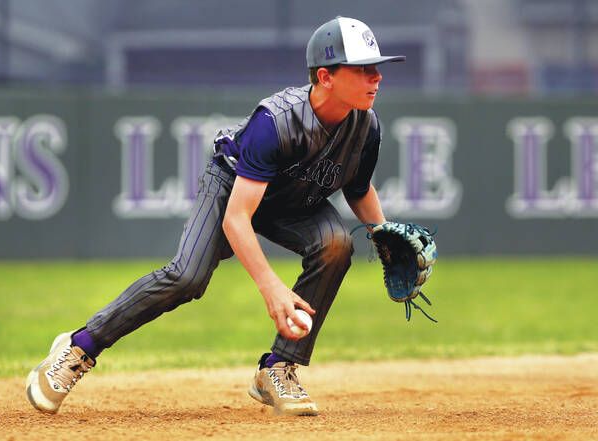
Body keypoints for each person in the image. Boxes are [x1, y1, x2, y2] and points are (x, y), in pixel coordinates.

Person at [25, 16, 405, 417]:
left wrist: (383, 235)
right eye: (363, 68)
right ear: (326, 76)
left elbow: (358, 188)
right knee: (187, 276)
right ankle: (79, 347)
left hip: (292, 202)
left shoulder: (367, 126)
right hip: (231, 189)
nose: (376, 77)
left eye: (376, 67)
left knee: (336, 244)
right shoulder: (274, 123)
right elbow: (237, 219)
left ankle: (278, 368)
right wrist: (271, 288)